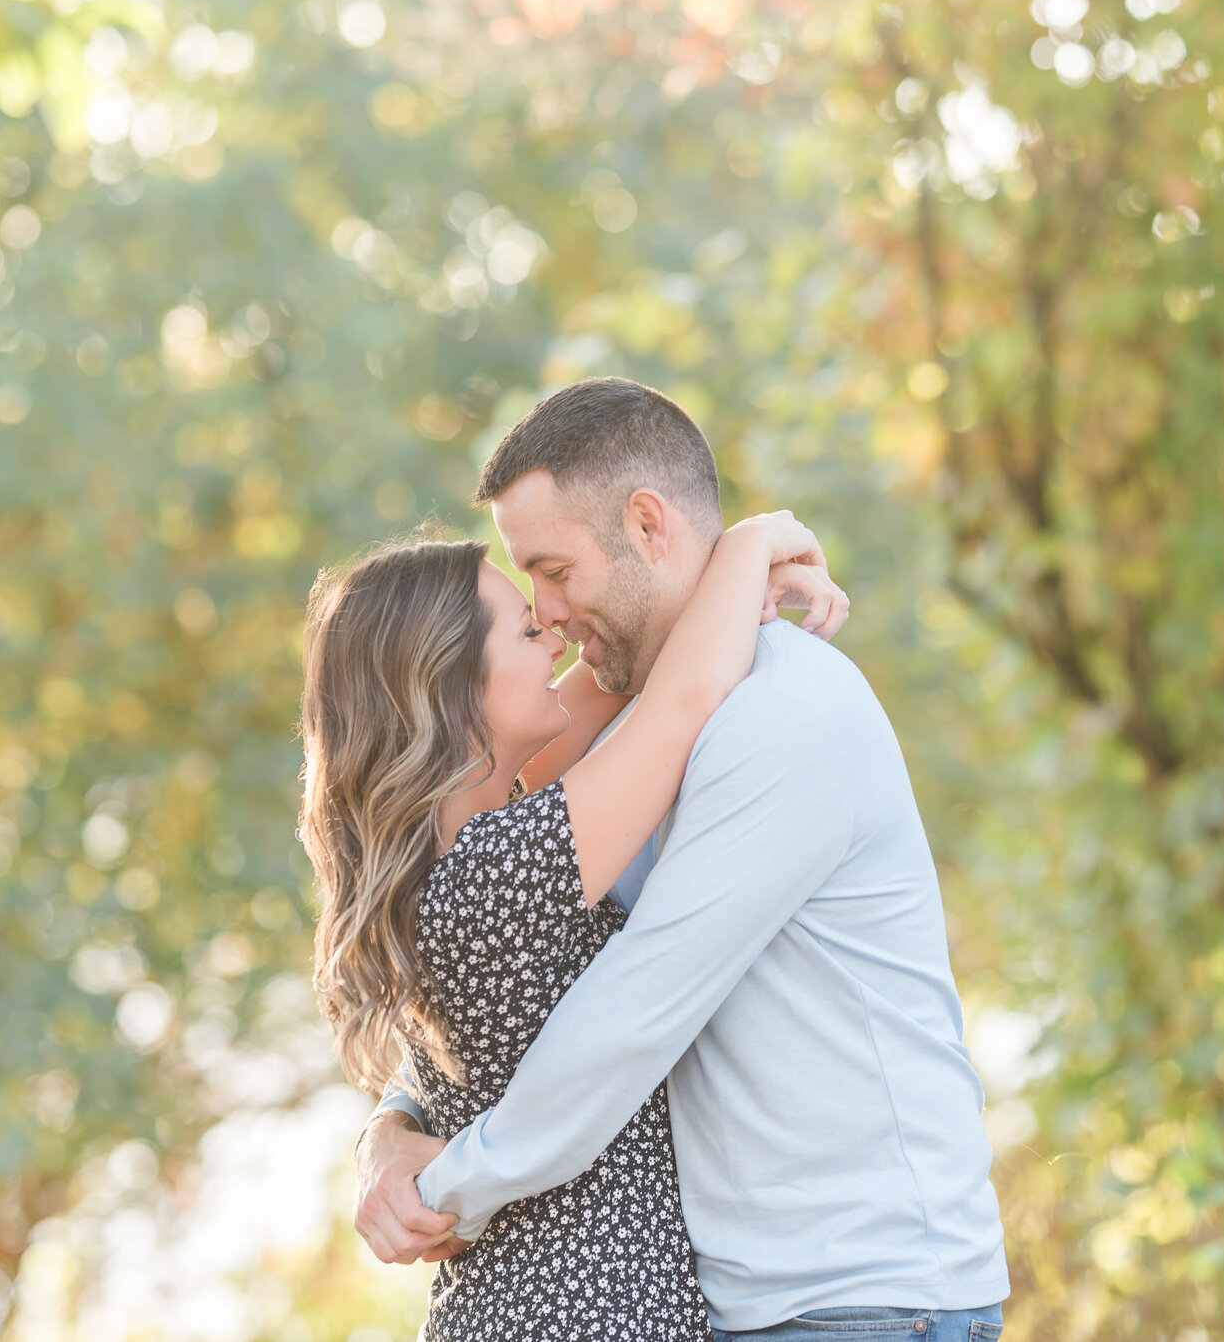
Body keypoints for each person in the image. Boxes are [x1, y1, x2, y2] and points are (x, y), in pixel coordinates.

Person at [353, 377, 1009, 1342]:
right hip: (739, 1303)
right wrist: (392, 1125)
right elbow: (491, 981)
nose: (547, 615)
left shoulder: (781, 711)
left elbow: (630, 1008)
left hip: (862, 1294)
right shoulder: (628, 741)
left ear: (647, 525)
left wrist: (446, 1184)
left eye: (554, 569)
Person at [301, 497, 848, 1340]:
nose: (556, 640)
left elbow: (623, 663)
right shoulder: (496, 871)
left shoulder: (456, 855)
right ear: (454, 692)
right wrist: (754, 538)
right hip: (575, 1313)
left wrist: (707, 584)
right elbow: (680, 699)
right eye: (527, 633)